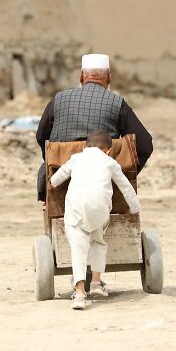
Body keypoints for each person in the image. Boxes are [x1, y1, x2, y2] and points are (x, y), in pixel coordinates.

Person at [36, 53, 153, 203]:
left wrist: (53, 160)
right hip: (104, 181)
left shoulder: (58, 99)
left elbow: (41, 136)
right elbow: (145, 145)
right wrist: (125, 174)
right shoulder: (117, 102)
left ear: (81, 76)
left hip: (59, 177)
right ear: (109, 77)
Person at [50, 130, 142, 310]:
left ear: (85, 147)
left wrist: (52, 185)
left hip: (76, 211)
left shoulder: (76, 159)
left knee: (78, 247)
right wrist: (135, 208)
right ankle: (97, 283)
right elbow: (125, 186)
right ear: (108, 150)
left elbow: (55, 180)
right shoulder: (110, 162)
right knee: (98, 242)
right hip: (100, 211)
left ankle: (79, 294)